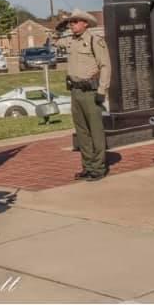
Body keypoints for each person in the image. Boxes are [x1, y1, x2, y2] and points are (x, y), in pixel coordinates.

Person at [54, 9, 111, 181]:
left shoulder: (95, 41)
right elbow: (53, 42)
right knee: (82, 132)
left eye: (75, 21)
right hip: (75, 90)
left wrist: (102, 90)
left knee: (95, 131)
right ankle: (87, 166)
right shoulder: (70, 41)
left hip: (90, 92)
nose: (72, 24)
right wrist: (59, 27)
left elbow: (106, 66)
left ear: (85, 23)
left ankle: (99, 167)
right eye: (70, 22)